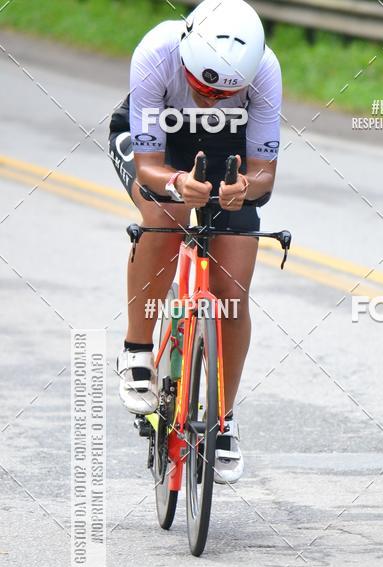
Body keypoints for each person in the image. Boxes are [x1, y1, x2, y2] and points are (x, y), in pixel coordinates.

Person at [108, 0, 282, 483]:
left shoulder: (265, 69)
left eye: (224, 91)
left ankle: (222, 420)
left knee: (232, 289)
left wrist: (244, 188)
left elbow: (265, 173)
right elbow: (147, 166)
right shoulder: (157, 53)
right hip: (156, 145)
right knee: (167, 212)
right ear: (185, 55)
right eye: (202, 86)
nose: (209, 98)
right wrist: (176, 183)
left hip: (227, 147)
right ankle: (138, 352)